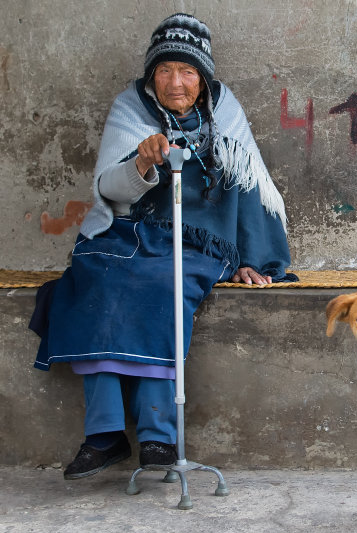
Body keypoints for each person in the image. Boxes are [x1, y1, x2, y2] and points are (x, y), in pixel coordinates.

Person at [30, 13, 297, 479]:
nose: (176, 82)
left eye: (188, 72)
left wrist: (254, 259)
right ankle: (105, 436)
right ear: (152, 75)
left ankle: (157, 435)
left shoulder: (225, 110)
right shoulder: (129, 107)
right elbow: (108, 189)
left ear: (203, 77)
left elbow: (253, 187)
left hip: (197, 240)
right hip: (128, 229)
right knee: (95, 280)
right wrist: (140, 162)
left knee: (164, 286)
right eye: (165, 71)